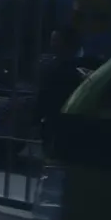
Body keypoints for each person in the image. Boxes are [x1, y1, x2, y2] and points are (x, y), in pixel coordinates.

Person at [34, 26, 86, 154]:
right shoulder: (69, 68)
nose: (52, 44)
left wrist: (35, 118)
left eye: (56, 41)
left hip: (60, 122)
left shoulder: (65, 69)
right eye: (52, 40)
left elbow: (44, 95)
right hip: (58, 123)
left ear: (67, 44)